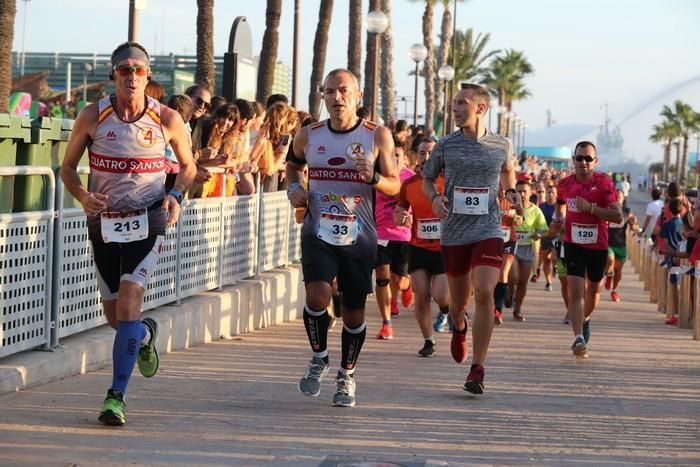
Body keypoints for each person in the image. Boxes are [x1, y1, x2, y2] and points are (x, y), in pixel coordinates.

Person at [59, 42, 196, 425]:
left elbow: (188, 166)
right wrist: (83, 195)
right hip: (103, 222)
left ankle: (116, 396)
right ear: (113, 75)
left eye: (138, 69)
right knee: (115, 315)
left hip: (149, 221)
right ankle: (143, 336)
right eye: (124, 70)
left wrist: (175, 195)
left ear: (148, 76)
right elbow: (67, 168)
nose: (132, 76)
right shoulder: (93, 116)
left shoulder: (167, 119)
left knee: (129, 304)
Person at [285, 69, 400, 407]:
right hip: (317, 230)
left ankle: (347, 374)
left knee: (353, 314)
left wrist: (374, 176)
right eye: (330, 91)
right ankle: (319, 357)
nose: (337, 98)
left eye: (344, 91)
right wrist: (295, 187)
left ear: (358, 96)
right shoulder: (309, 134)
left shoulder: (377, 136)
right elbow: (292, 166)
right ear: (322, 96)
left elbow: (395, 184)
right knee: (318, 296)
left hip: (359, 236)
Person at [422, 83, 520, 395]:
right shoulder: (445, 145)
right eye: (454, 103)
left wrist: (513, 192)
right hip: (454, 232)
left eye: (463, 103)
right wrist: (436, 198)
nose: (456, 108)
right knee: (457, 303)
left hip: (489, 229)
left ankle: (478, 367)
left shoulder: (501, 144)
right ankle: (459, 325)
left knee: (484, 291)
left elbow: (508, 174)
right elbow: (426, 178)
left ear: (480, 108)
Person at [550, 141, 622, 358]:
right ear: (573, 160)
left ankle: (585, 318)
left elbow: (618, 217)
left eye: (588, 158)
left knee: (593, 293)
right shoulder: (565, 184)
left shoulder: (604, 183)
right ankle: (578, 338)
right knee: (575, 290)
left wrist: (590, 208)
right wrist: (557, 219)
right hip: (572, 244)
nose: (583, 162)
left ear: (595, 161)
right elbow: (560, 203)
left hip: (597, 246)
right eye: (579, 158)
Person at [394, 136, 450, 356]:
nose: (426, 157)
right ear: (416, 156)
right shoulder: (409, 184)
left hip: (446, 248)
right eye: (422, 153)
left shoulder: (449, 180)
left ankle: (448, 311)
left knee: (441, 295)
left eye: (431, 153)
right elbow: (400, 209)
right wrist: (401, 217)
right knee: (421, 293)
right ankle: (428, 340)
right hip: (418, 246)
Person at [374, 137, 415, 339]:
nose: (392, 159)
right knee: (382, 275)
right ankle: (386, 323)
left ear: (405, 157)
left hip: (403, 236)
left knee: (398, 281)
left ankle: (408, 288)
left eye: (396, 156)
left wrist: (411, 220)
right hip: (379, 234)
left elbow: (420, 209)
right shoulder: (376, 177)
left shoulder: (412, 179)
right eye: (389, 155)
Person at [511, 179, 548, 321]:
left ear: (530, 192)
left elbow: (544, 230)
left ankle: (517, 309)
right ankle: (509, 293)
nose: (521, 194)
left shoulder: (535, 210)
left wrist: (538, 235)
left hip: (528, 248)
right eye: (518, 191)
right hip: (512, 246)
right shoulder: (510, 207)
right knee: (513, 277)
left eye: (524, 191)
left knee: (522, 282)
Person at [604, 190, 637, 302]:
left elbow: (633, 226)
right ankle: (608, 276)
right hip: (609, 243)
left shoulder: (627, 211)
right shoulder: (609, 210)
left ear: (623, 199)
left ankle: (614, 291)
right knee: (610, 261)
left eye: (620, 196)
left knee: (618, 271)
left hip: (621, 244)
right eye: (616, 196)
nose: (618, 198)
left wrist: (634, 224)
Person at [536, 184, 558, 290]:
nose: (550, 194)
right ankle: (548, 282)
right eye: (548, 192)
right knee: (546, 260)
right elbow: (538, 222)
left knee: (554, 257)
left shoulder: (559, 207)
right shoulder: (542, 207)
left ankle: (555, 266)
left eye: (553, 192)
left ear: (556, 194)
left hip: (556, 236)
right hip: (545, 236)